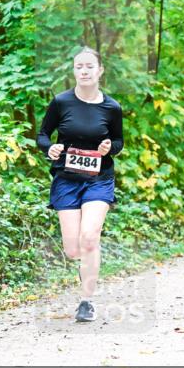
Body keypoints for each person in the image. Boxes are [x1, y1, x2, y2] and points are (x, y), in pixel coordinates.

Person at [37, 47, 123, 323]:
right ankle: (86, 264)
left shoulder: (112, 107)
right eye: (79, 67)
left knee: (90, 237)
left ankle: (87, 301)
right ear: (74, 71)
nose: (84, 71)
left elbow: (118, 142)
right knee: (73, 249)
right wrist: (49, 148)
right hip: (67, 180)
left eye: (89, 66)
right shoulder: (61, 102)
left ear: (100, 71)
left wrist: (109, 147)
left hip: (99, 179)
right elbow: (42, 135)